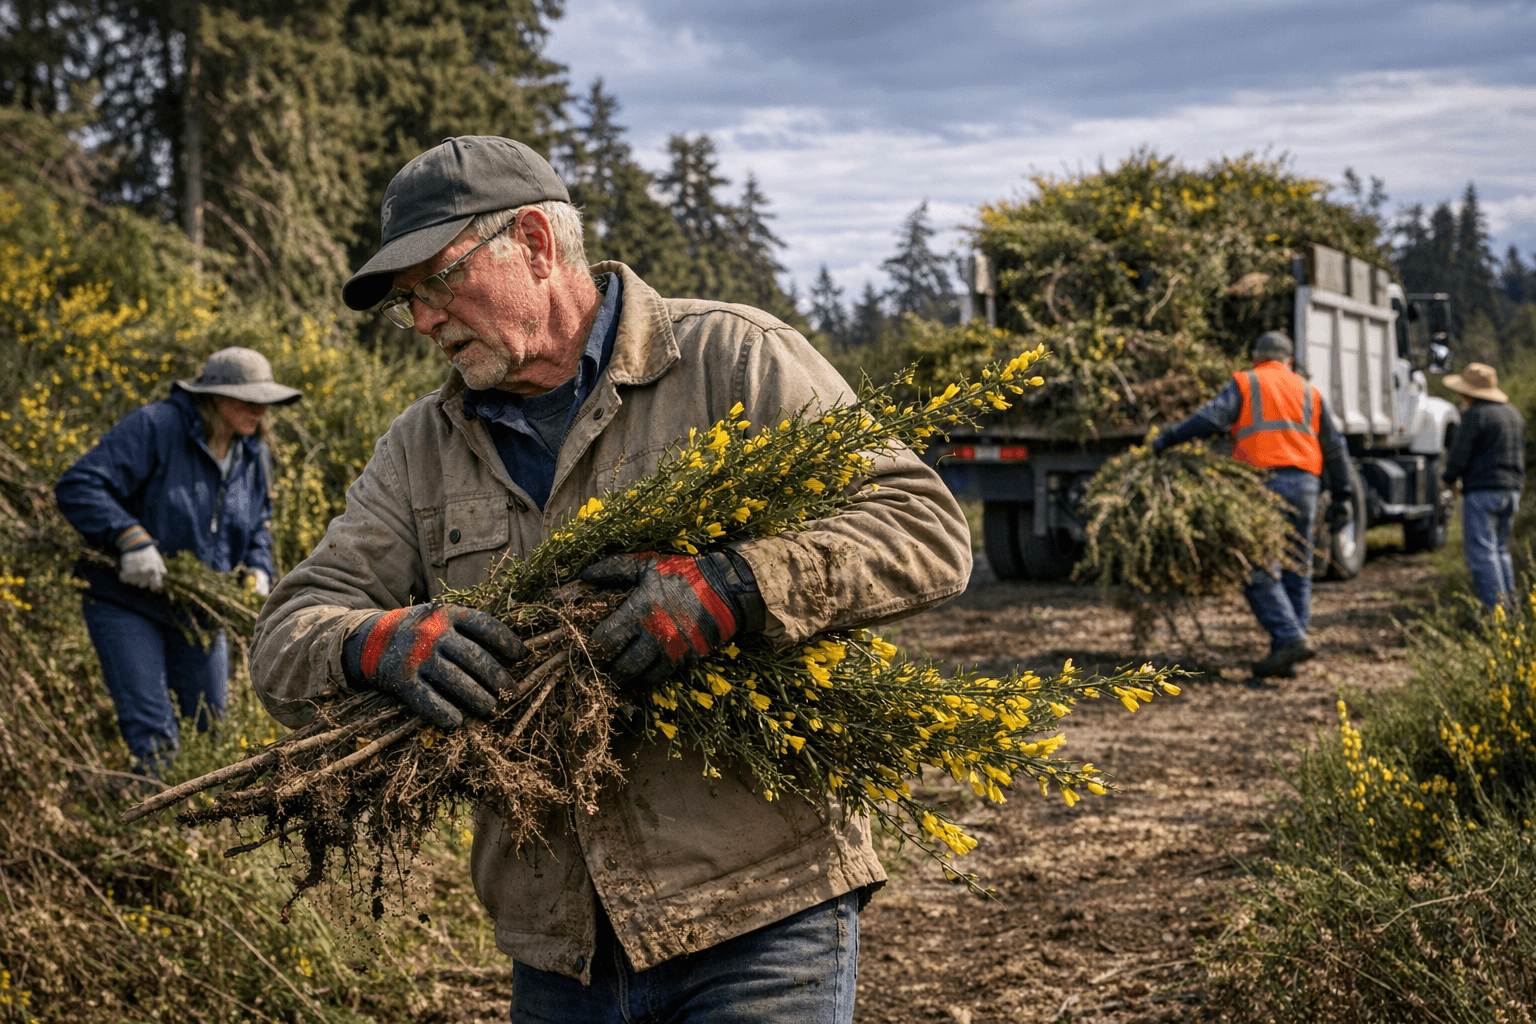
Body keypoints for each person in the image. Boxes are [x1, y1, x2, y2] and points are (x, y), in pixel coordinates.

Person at [249, 136, 972, 1023]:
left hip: (757, 919)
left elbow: (922, 525)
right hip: (562, 952)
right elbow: (286, 631)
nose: (426, 321)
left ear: (536, 245)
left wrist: (737, 585)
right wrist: (370, 643)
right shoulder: (421, 448)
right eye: (407, 305)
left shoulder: (728, 359)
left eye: (435, 284)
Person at [55, 348, 302, 778]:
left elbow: (259, 522)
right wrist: (129, 538)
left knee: (209, 729)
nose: (259, 410)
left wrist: (258, 567)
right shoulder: (157, 426)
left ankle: (194, 831)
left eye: (264, 401)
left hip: (197, 612)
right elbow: (81, 485)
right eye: (247, 399)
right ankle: (150, 830)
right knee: (155, 737)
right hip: (126, 601)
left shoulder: (252, 454)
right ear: (213, 396)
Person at [1152, 330, 1353, 681]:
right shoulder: (1309, 391)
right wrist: (1344, 495)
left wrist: (1169, 437)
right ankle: (1288, 651)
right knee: (1297, 567)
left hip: (1263, 483)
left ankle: (1289, 638)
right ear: (1289, 361)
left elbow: (1212, 417)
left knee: (1255, 565)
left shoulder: (1246, 382)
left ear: (1256, 357)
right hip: (1306, 484)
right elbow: (1335, 448)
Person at [1441, 362, 1525, 610]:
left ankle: (1495, 612)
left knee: (1482, 555)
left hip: (1483, 491)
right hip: (1512, 491)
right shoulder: (1513, 413)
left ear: (1468, 393)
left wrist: (1448, 479)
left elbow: (1458, 456)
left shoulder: (1475, 416)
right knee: (1500, 550)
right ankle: (1510, 605)